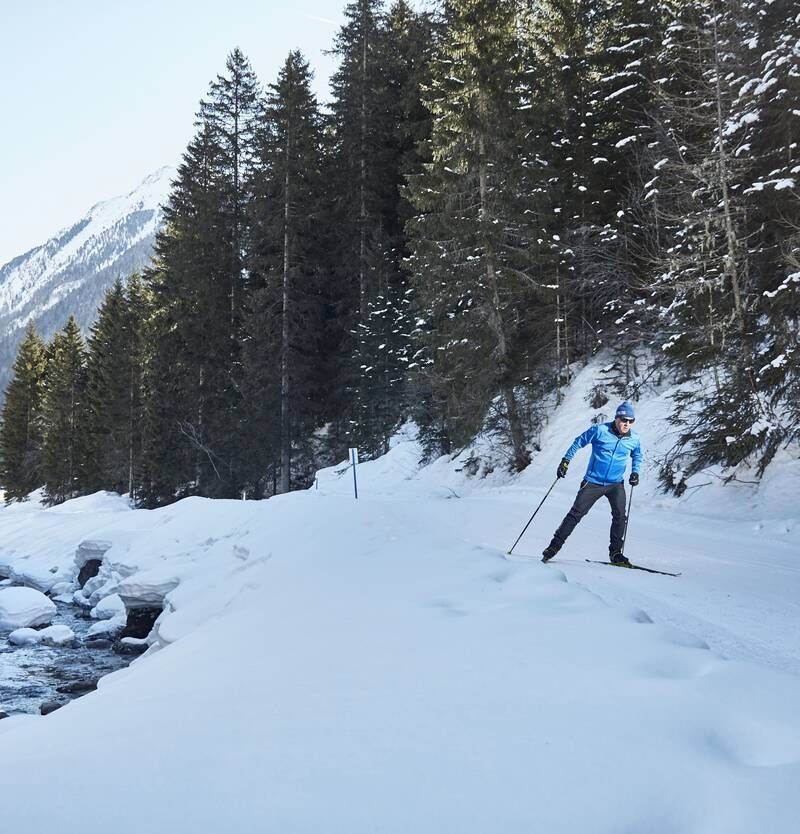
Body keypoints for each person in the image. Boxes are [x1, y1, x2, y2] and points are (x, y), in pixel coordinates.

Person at [542, 401, 642, 566]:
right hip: (593, 482)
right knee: (576, 514)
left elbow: (637, 455)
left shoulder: (634, 438)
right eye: (624, 420)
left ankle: (616, 553)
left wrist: (635, 472)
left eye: (631, 421)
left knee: (620, 517)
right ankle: (553, 547)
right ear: (617, 418)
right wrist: (565, 461)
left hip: (616, 484)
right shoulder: (599, 431)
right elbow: (578, 442)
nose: (627, 424)